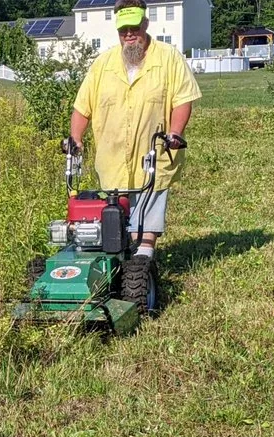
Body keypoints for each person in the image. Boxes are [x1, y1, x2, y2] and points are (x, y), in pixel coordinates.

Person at [66, 0, 201, 258]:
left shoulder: (168, 57)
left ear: (145, 24)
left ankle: (143, 271)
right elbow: (82, 107)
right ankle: (120, 269)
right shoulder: (102, 64)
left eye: (134, 28)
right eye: (123, 29)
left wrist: (175, 132)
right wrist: (76, 138)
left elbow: (183, 99)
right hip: (112, 160)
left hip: (153, 155)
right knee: (113, 222)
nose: (129, 34)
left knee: (144, 231)